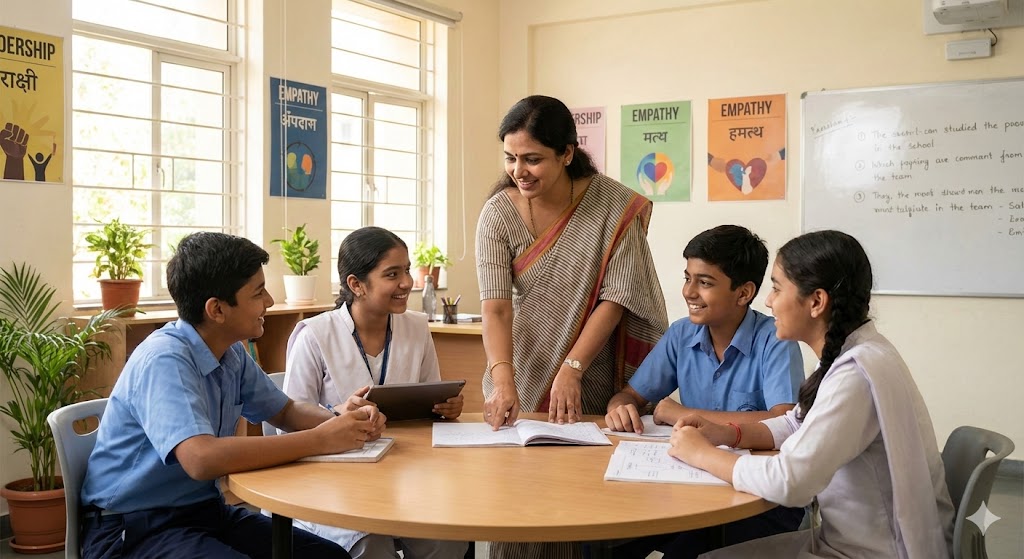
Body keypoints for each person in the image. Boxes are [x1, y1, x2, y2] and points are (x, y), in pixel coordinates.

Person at [80, 231, 386, 559]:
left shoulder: (231, 353)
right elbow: (201, 459)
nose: (269, 301)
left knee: (330, 557)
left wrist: (343, 420)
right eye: (258, 293)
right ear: (217, 310)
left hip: (203, 512)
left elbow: (286, 412)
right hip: (132, 528)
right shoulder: (165, 359)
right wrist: (321, 439)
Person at [669, 230, 954, 559]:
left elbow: (791, 482)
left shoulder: (854, 377)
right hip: (852, 539)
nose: (768, 301)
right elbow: (796, 423)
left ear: (816, 302)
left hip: (873, 551)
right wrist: (728, 433)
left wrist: (702, 454)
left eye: (776, 288)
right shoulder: (863, 350)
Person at [476, 95, 668, 558]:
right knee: (519, 514)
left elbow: (616, 298)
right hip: (520, 371)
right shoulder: (498, 214)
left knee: (585, 509)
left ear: (567, 153)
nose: (519, 170)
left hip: (590, 376)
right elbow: (497, 308)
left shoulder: (612, 205)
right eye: (511, 158)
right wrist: (503, 381)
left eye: (533, 159)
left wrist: (574, 367)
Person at [605, 225, 805, 559]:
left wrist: (678, 413)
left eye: (705, 282)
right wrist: (621, 406)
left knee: (686, 549)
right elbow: (629, 396)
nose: (689, 292)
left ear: (743, 293)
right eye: (688, 278)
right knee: (605, 542)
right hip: (692, 485)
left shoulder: (775, 339)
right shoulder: (682, 334)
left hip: (759, 497)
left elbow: (783, 421)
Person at [284, 226, 467, 559]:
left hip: (407, 468)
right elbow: (289, 417)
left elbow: (429, 398)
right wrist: (336, 412)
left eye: (407, 270)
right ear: (356, 285)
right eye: (392, 274)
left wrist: (445, 406)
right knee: (372, 545)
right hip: (336, 475)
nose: (407, 282)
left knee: (447, 540)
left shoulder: (416, 326)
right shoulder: (315, 335)